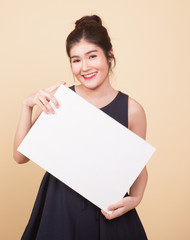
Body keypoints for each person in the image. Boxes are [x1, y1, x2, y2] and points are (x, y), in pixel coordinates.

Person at [13, 15, 148, 240]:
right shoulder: (60, 100)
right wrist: (26, 107)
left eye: (92, 56)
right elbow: (19, 156)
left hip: (106, 212)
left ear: (109, 55)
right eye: (76, 60)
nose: (84, 67)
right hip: (59, 207)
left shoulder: (132, 110)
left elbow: (137, 167)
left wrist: (136, 198)